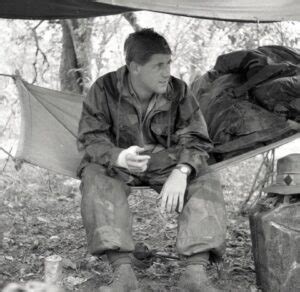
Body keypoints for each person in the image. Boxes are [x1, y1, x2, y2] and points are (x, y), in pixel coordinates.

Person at [77, 28, 226, 292]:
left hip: (166, 163)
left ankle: (195, 275)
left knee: (206, 177)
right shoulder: (104, 89)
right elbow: (90, 138)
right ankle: (123, 273)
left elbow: (198, 139)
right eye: (158, 65)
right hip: (120, 164)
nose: (167, 71)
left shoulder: (178, 91)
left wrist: (182, 170)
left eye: (168, 63)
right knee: (93, 174)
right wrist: (119, 156)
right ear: (134, 67)